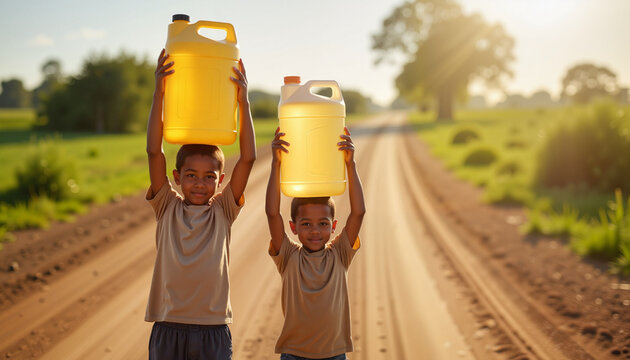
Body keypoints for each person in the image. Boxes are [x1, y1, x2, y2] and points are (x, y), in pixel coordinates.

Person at [145, 49, 256, 360]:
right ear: (177, 177)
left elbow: (248, 158)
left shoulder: (223, 210)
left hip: (213, 329)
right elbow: (155, 152)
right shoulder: (166, 205)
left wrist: (242, 100)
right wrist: (159, 92)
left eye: (209, 176)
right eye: (191, 175)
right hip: (168, 325)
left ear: (220, 181)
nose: (199, 183)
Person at [265, 126, 366, 360]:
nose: (315, 231)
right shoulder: (288, 256)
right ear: (293, 227)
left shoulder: (340, 254)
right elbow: (272, 214)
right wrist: (276, 164)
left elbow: (358, 212)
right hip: (293, 355)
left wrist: (351, 165)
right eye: (306, 224)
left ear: (333, 226)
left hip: (334, 355)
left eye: (322, 223)